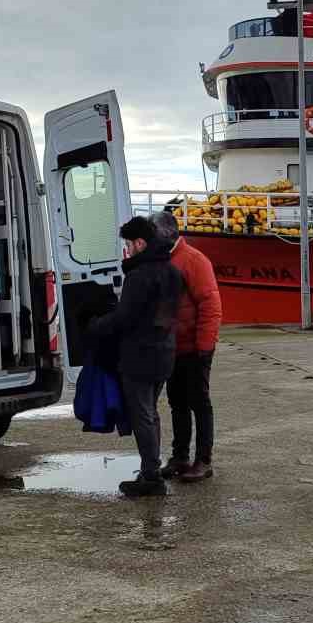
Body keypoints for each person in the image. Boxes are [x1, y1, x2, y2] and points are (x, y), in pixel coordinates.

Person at [90, 216, 182, 497]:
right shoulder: (172, 272)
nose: (126, 250)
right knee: (151, 414)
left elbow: (125, 318)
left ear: (140, 243)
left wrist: (95, 326)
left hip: (139, 356)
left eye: (129, 244)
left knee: (142, 415)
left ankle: (151, 477)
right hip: (164, 352)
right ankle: (150, 469)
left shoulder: (139, 276)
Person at [153, 210, 222, 482]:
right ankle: (180, 457)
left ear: (167, 233)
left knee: (199, 403)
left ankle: (203, 461)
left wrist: (204, 347)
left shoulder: (193, 260)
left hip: (195, 347)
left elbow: (210, 304)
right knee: (177, 403)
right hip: (174, 348)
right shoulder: (166, 260)